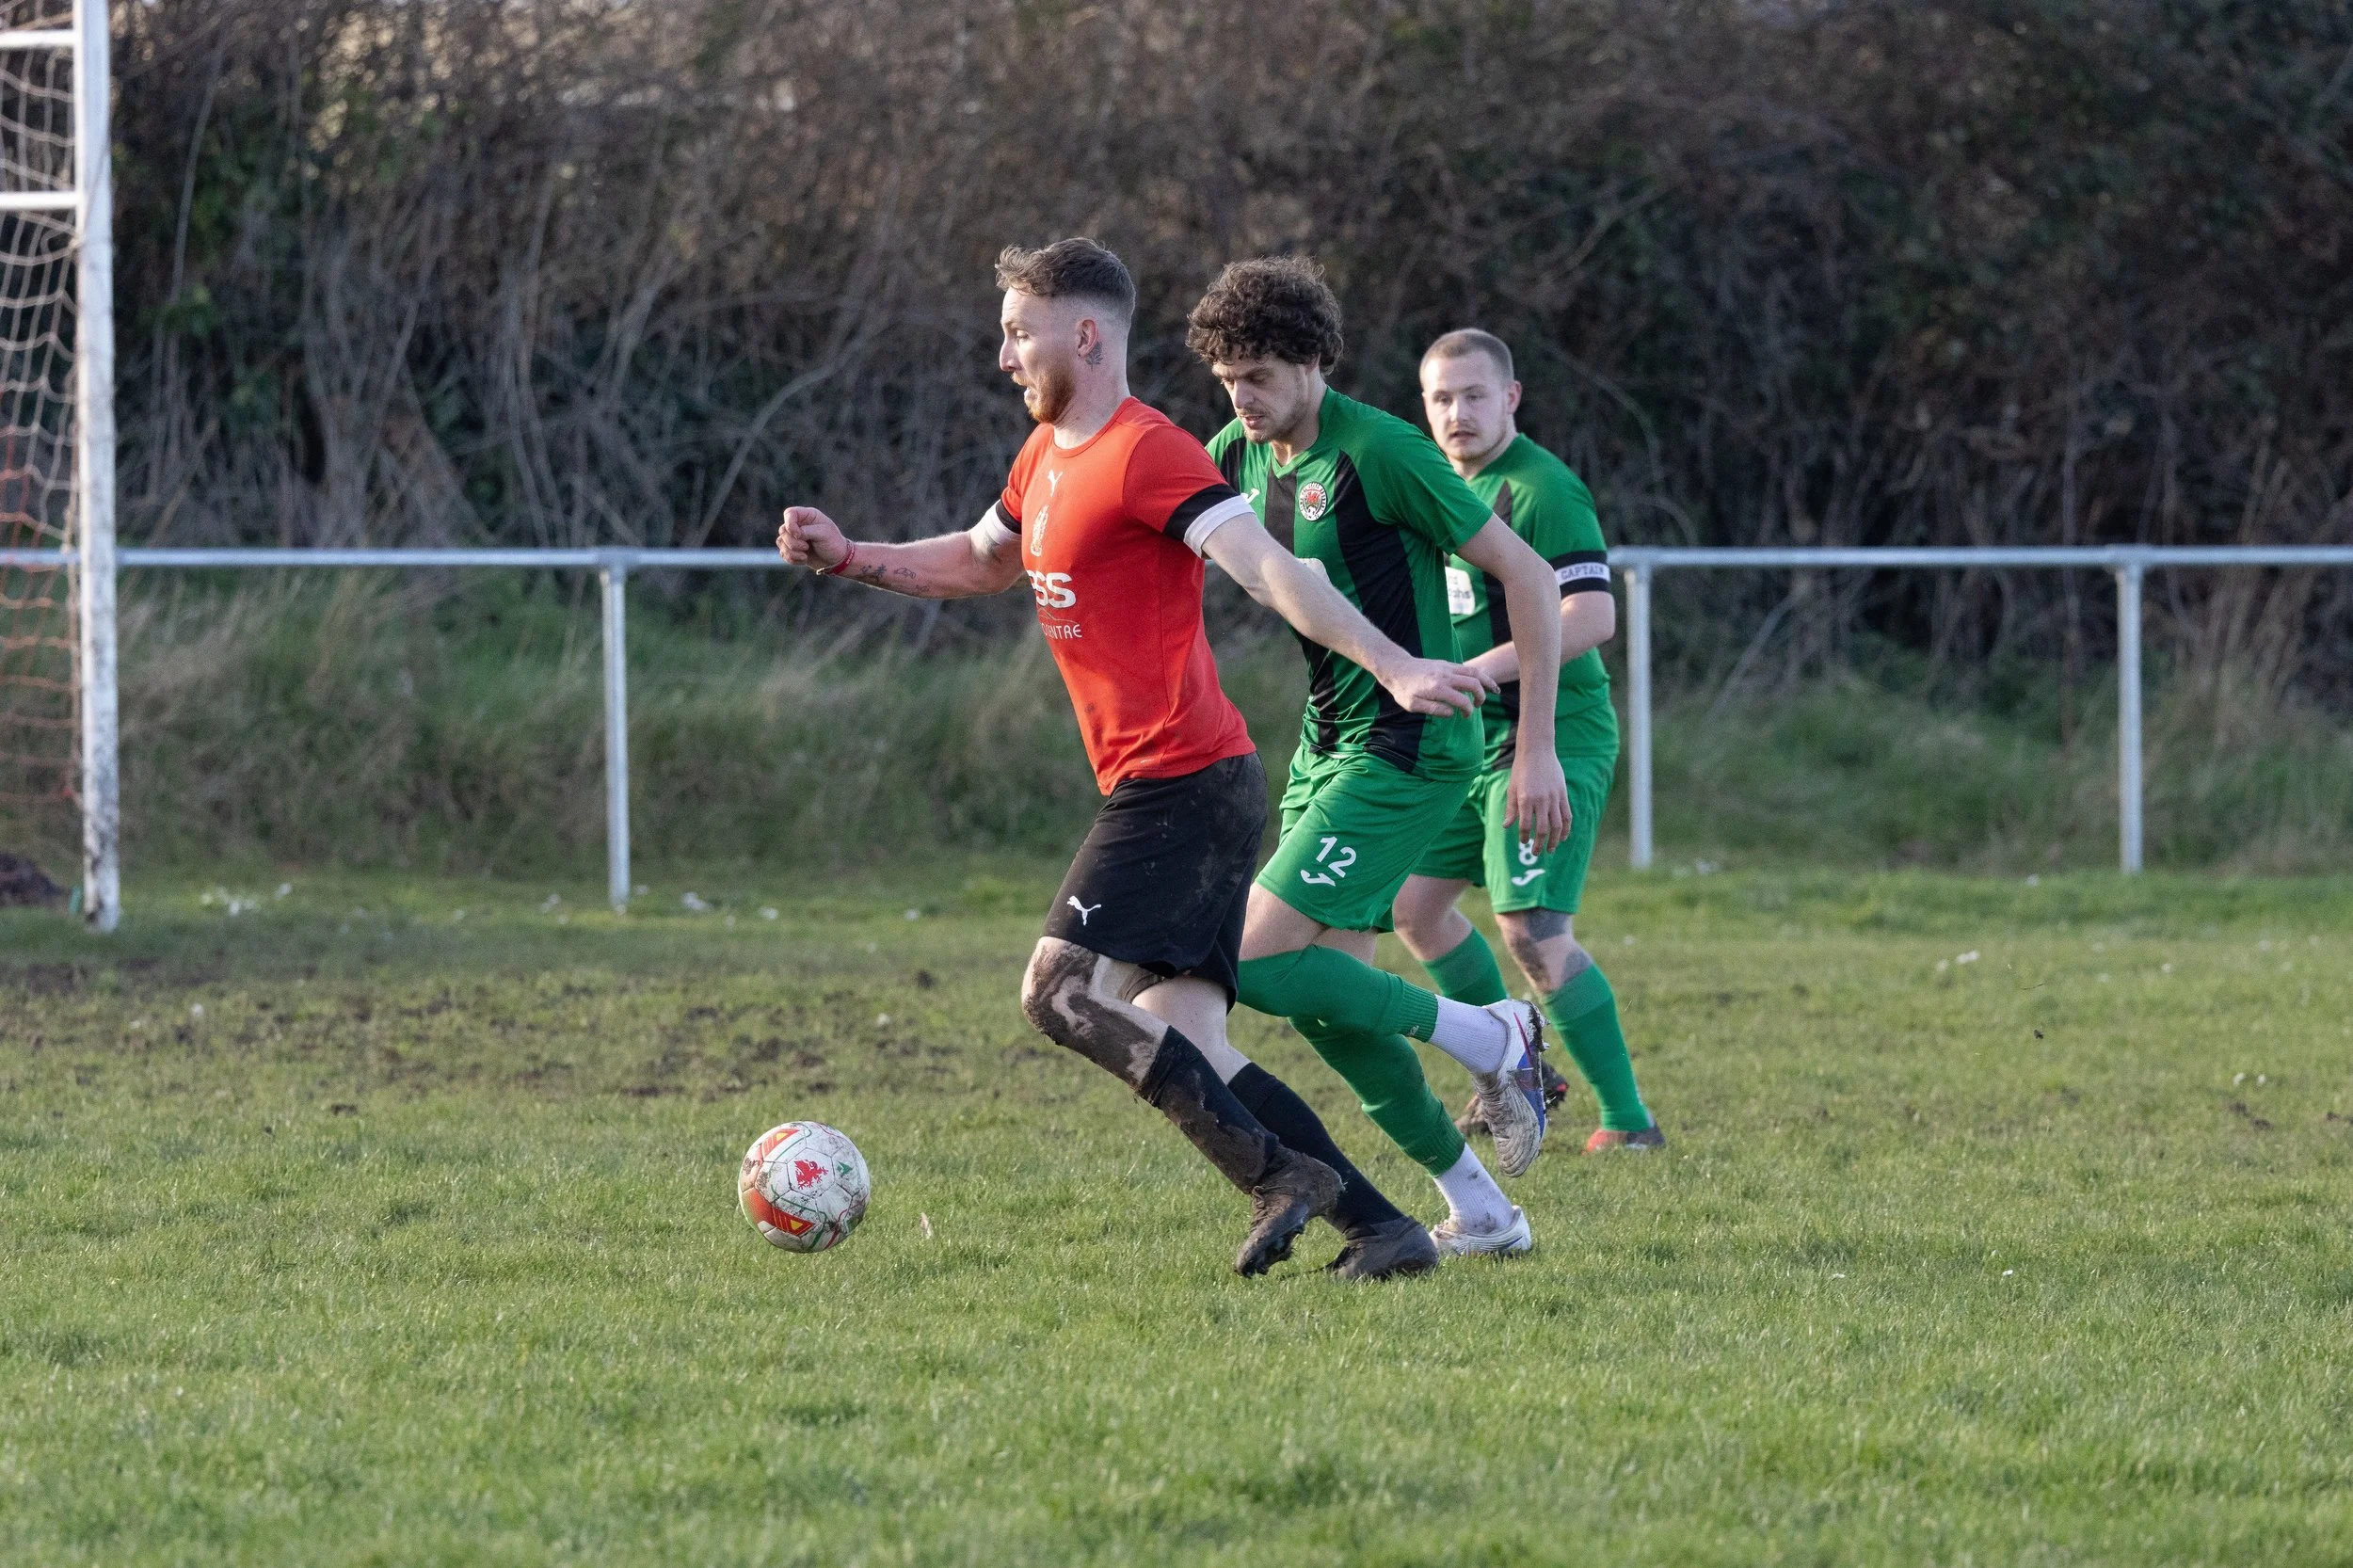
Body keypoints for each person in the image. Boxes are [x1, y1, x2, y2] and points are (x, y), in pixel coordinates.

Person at [778, 238, 1481, 1279]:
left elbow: (1270, 571)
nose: (1006, 354)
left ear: (1087, 333)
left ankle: (1280, 1176)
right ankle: (1384, 1231)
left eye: (1021, 333)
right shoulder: (1045, 456)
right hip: (1171, 783)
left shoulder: (1152, 452)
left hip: (1184, 783)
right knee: (1188, 1038)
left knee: (1058, 993)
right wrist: (851, 558)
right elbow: (980, 561)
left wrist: (1390, 662)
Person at [1188, 256, 1569, 1260]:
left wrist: (1533, 750)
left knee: (1257, 961)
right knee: (1329, 1008)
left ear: (1314, 360)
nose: (1243, 398)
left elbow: (1532, 579)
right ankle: (1481, 1210)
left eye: (1261, 374)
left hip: (1408, 745)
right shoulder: (1236, 451)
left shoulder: (1383, 450)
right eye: (1228, 378)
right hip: (1327, 745)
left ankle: (1497, 1037)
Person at [1391, 328, 1663, 1152]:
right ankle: (1515, 1066)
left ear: (1511, 398)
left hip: (1554, 736)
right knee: (1415, 907)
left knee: (1533, 930)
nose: (1457, 413)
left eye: (1475, 395)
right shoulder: (1435, 482)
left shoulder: (1542, 488)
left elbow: (1592, 616)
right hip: (1472, 739)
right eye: (1441, 398)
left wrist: (1475, 668)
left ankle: (1628, 1123)